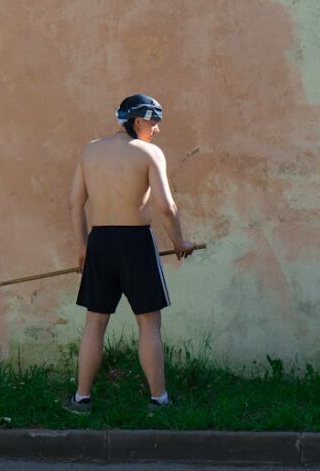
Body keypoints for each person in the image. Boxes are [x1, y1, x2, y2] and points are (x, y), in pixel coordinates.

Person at [63, 94, 197, 414]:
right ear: (138, 121)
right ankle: (159, 400)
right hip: (135, 241)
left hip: (100, 241)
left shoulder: (91, 151)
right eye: (153, 122)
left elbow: (74, 204)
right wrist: (180, 241)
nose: (157, 130)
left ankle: (81, 398)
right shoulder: (149, 153)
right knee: (149, 323)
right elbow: (166, 206)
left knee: (95, 322)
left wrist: (83, 246)